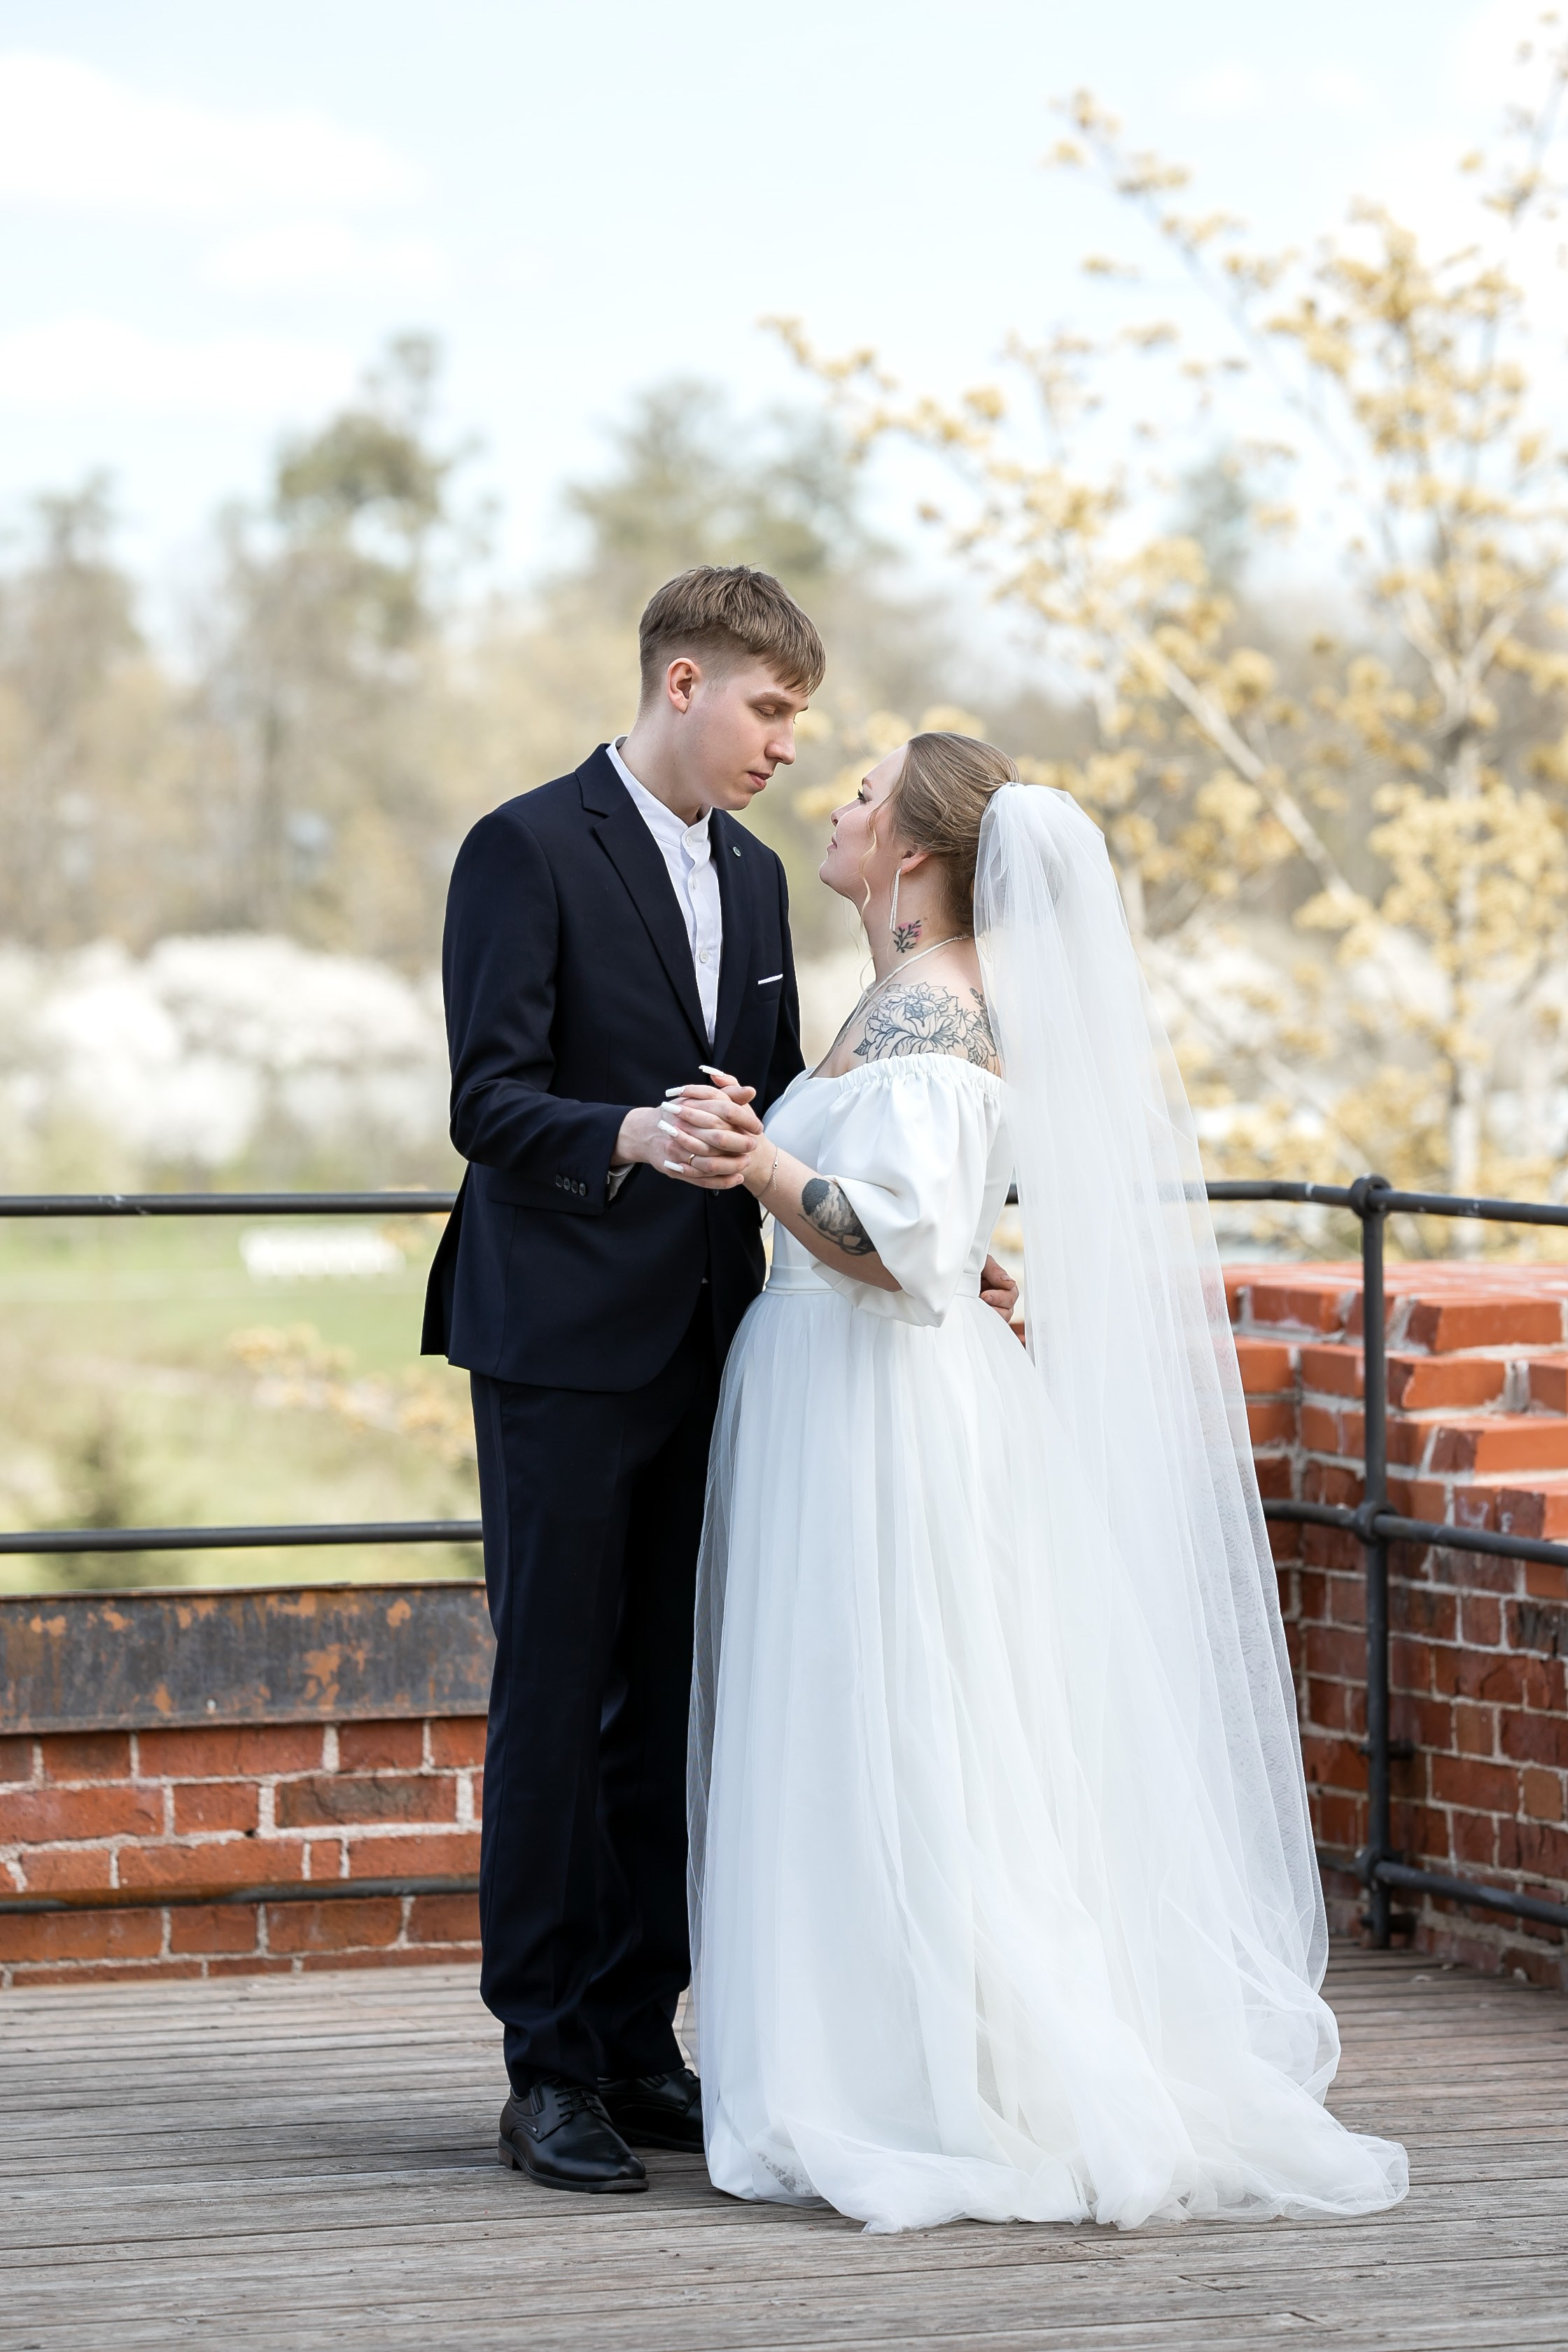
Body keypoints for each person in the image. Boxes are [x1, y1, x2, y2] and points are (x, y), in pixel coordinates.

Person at [678, 732, 1410, 2232]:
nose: (836, 802)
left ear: (916, 852)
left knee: (906, 1723)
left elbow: (902, 1249)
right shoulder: (901, 998)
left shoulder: (934, 1014)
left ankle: (917, 2080)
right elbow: (938, 1226)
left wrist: (757, 1165)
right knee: (868, 1721)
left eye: (864, 791)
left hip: (875, 1411)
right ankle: (871, 2046)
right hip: (841, 1391)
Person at [422, 572, 1019, 2197]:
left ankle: (637, 2039)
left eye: (801, 722)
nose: (785, 747)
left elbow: (788, 1111)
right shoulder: (523, 847)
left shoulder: (757, 882)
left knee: (674, 1703)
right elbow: (487, 1101)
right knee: (557, 1701)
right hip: (555, 1343)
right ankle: (546, 2064)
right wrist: (626, 1133)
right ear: (681, 682)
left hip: (718, 1342)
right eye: (768, 709)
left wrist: (938, 1252)